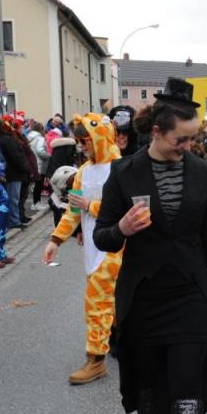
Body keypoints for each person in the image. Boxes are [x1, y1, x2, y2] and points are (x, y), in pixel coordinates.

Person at [93, 78, 207, 414]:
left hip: (190, 294)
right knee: (148, 383)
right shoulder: (124, 173)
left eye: (192, 138)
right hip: (143, 298)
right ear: (156, 132)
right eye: (181, 140)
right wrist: (122, 228)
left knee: (188, 383)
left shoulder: (202, 173)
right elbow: (102, 237)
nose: (188, 147)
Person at [41, 113, 123, 385]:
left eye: (85, 140)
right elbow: (73, 210)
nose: (81, 146)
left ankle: (96, 359)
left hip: (116, 248)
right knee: (113, 302)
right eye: (78, 141)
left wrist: (92, 206)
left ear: (99, 137)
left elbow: (128, 209)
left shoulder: (121, 169)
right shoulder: (84, 172)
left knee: (97, 303)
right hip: (92, 247)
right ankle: (120, 345)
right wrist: (56, 240)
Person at [0, 117, 30, 229]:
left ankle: (14, 219)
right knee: (13, 199)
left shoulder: (3, 139)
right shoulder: (7, 140)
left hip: (11, 173)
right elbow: (17, 157)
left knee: (12, 198)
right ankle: (14, 221)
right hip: (13, 174)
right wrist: (26, 168)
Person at [27, 122, 50, 209]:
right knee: (39, 185)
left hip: (33, 163)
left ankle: (36, 203)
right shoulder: (40, 138)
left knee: (36, 184)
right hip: (40, 164)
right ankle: (36, 203)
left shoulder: (29, 137)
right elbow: (40, 150)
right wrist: (48, 156)